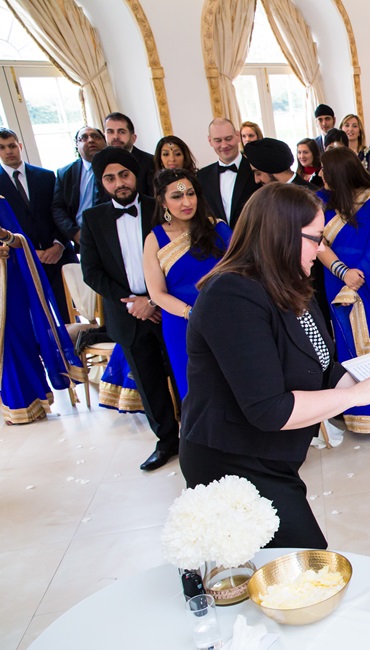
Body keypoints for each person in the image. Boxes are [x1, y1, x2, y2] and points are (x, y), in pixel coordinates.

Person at [183, 183, 370, 548]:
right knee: (306, 562)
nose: (322, 249)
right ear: (280, 233)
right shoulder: (230, 295)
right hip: (233, 459)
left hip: (272, 457)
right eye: (315, 238)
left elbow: (325, 366)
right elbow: (271, 410)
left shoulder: (289, 282)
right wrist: (358, 394)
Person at [80, 147, 180, 471]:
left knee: (182, 374)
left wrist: (153, 299)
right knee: (149, 383)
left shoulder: (158, 209)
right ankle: (167, 442)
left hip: (166, 307)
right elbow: (92, 272)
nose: (119, 183)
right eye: (110, 178)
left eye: (124, 174)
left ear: (135, 175)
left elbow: (178, 257)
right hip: (127, 313)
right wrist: (133, 302)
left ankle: (196, 438)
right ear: (102, 183)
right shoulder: (93, 219)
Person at [315, 147, 370, 435]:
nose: (320, 174)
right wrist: (341, 272)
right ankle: (359, 414)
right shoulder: (322, 200)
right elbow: (317, 242)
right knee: (348, 344)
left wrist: (356, 275)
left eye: (325, 169)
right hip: (337, 281)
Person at [140, 169, 231, 398]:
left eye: (191, 194)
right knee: (197, 391)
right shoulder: (155, 239)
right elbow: (157, 293)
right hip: (182, 324)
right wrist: (192, 313)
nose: (187, 202)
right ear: (162, 201)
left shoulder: (218, 229)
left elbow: (242, 271)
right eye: (177, 197)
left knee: (232, 384)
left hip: (225, 317)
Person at [0, 202, 82, 423]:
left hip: (8, 285)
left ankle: (31, 403)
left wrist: (5, 237)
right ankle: (12, 405)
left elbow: (20, 240)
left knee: (16, 339)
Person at [0, 128, 75, 322]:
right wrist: (29, 251)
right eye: (1, 148)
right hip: (21, 259)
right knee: (37, 319)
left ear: (20, 146)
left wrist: (59, 245)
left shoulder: (47, 176)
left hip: (58, 256)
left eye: (11, 146)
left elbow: (62, 214)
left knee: (68, 314)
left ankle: (73, 351)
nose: (8, 151)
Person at [52, 126, 108, 247]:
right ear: (77, 145)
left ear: (105, 142)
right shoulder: (65, 173)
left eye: (95, 136)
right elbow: (58, 208)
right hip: (82, 236)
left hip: (114, 232)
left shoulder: (117, 167)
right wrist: (74, 232)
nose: (91, 140)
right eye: (83, 138)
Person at [199, 118, 258, 228]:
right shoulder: (202, 176)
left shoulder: (256, 170)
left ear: (237, 136)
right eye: (218, 140)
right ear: (210, 141)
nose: (224, 145)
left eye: (228, 138)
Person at [104, 112, 154, 197]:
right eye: (110, 132)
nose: (115, 136)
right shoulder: (101, 163)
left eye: (121, 132)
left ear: (133, 138)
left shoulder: (151, 162)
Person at [244, 138, 313, 188]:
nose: (256, 180)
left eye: (258, 173)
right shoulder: (268, 197)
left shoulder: (312, 197)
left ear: (272, 168)